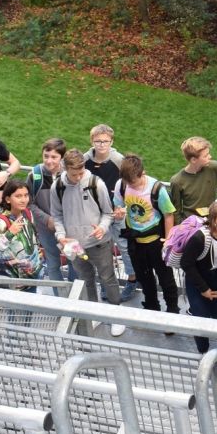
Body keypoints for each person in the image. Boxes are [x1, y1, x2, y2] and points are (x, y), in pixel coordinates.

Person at [51, 149, 125, 336]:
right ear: (64, 168)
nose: (77, 178)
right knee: (86, 280)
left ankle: (117, 315)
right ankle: (94, 313)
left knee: (108, 278)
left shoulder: (95, 184)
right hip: (74, 245)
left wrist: (102, 227)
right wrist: (60, 236)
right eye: (73, 174)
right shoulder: (57, 187)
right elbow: (57, 215)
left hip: (99, 243)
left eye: (81, 173)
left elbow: (108, 213)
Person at [113, 153, 179, 316]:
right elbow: (118, 207)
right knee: (144, 278)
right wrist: (119, 214)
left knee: (166, 279)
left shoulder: (156, 189)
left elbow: (169, 214)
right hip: (135, 242)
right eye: (127, 182)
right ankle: (151, 308)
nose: (130, 186)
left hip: (156, 242)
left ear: (142, 173)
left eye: (133, 182)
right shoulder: (122, 185)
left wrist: (168, 241)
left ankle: (172, 310)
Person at [83, 124, 137, 301]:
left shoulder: (119, 160)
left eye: (105, 141)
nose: (101, 145)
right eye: (98, 141)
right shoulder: (85, 160)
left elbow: (132, 183)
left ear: (112, 142)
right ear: (92, 141)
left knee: (124, 247)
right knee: (102, 250)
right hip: (95, 214)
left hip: (117, 212)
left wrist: (123, 206)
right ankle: (107, 284)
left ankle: (132, 280)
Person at [180, 199, 217, 354]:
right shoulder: (200, 238)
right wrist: (203, 289)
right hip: (197, 278)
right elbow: (186, 264)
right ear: (213, 219)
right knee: (201, 318)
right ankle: (203, 352)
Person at [0, 180, 45, 287]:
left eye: (26, 195)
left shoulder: (27, 214)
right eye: (18, 196)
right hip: (13, 286)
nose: (23, 200)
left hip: (33, 279)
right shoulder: (0, 222)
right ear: (8, 199)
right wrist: (9, 234)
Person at [26, 138, 71, 288]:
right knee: (52, 263)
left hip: (69, 228)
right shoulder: (35, 175)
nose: (49, 161)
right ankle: (59, 299)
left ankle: (73, 297)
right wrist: (47, 220)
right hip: (46, 229)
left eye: (54, 157)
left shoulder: (70, 174)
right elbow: (29, 203)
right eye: (46, 156)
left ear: (62, 158)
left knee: (75, 262)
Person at [169, 136, 217, 224]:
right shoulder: (177, 181)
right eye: (205, 156)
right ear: (193, 160)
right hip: (191, 225)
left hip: (211, 221)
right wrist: (182, 227)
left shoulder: (214, 167)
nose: (210, 156)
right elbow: (176, 210)